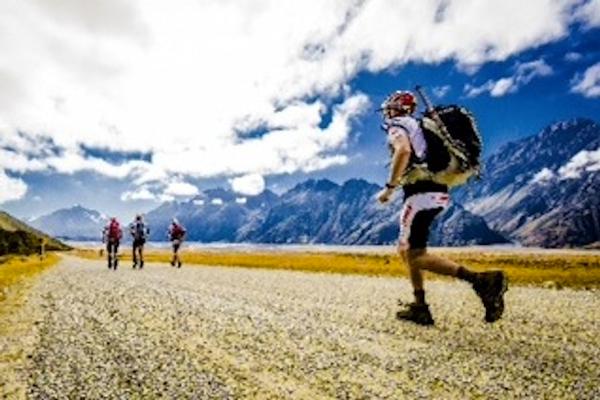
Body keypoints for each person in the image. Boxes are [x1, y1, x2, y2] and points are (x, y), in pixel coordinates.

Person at [376, 90, 507, 326]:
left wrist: (389, 188)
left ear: (395, 108)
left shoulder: (397, 125)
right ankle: (420, 306)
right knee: (410, 251)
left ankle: (481, 281)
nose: (386, 112)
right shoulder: (420, 127)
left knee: (410, 254)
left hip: (419, 194)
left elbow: (403, 151)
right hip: (438, 192)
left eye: (388, 108)